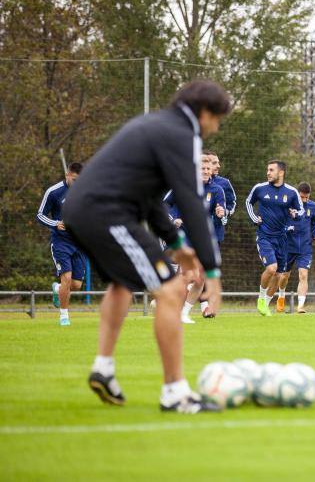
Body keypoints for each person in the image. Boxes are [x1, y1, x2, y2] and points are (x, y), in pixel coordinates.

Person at [62, 79, 229, 413]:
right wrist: (211, 269)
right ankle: (175, 394)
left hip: (81, 210)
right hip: (106, 214)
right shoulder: (183, 135)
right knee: (169, 289)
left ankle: (104, 369)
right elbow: (191, 200)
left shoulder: (155, 124)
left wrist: (178, 241)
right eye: (217, 119)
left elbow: (151, 199)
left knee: (122, 284)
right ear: (204, 112)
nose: (216, 127)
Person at [163, 157, 226, 323]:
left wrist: (221, 212)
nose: (205, 171)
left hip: (203, 238)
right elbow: (165, 204)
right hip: (184, 236)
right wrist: (173, 219)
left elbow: (222, 211)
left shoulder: (217, 190)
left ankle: (184, 313)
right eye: (202, 168)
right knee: (188, 275)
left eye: (208, 169)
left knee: (200, 279)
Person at [246, 161, 303, 316]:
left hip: (282, 239)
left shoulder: (291, 192)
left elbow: (301, 210)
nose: (268, 173)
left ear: (281, 172)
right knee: (271, 268)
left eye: (271, 170)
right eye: (267, 170)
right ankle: (261, 298)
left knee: (279, 275)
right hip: (264, 236)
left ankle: (266, 304)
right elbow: (248, 203)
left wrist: (295, 214)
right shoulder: (260, 188)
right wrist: (254, 218)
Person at [36, 162, 87, 326]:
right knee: (66, 278)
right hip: (61, 242)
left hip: (78, 242)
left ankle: (57, 289)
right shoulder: (54, 192)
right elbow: (40, 215)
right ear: (67, 175)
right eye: (74, 180)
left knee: (76, 285)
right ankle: (64, 316)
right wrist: (55, 223)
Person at [277, 182, 315, 314]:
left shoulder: (312, 206)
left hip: (305, 248)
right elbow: (280, 223)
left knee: (303, 274)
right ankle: (281, 296)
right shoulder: (288, 205)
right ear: (297, 194)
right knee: (285, 276)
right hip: (288, 247)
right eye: (302, 197)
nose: (304, 200)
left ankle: (300, 306)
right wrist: (287, 228)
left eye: (307, 197)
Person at [204, 150, 236, 227]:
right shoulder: (192, 182)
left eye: (218, 163)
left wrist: (224, 212)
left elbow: (232, 203)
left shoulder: (224, 183)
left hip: (216, 230)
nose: (218, 166)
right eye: (214, 163)